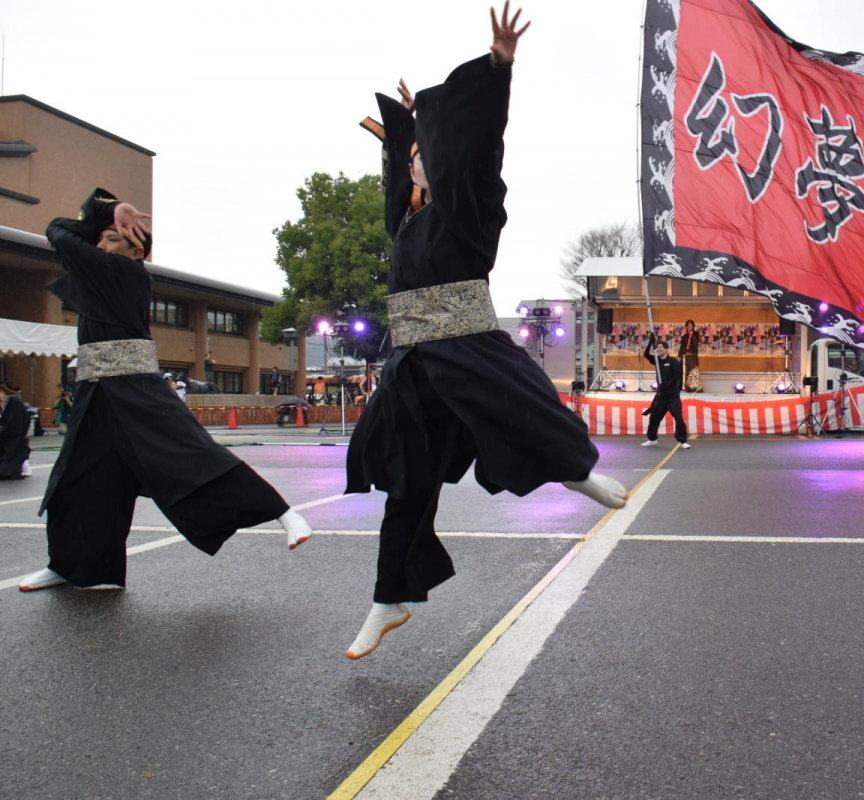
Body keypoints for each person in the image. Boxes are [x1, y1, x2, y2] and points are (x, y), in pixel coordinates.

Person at [344, 2, 627, 659]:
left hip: (466, 345)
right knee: (405, 483)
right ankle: (389, 599)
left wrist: (497, 70)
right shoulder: (407, 225)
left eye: (424, 155)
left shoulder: (467, 210)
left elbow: (473, 150)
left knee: (516, 408)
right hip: (413, 367)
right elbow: (400, 172)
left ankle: (574, 467)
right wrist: (407, 130)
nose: (416, 162)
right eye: (411, 157)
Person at [18, 189, 314, 593]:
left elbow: (58, 231)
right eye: (102, 237)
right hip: (96, 395)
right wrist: (111, 213)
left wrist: (103, 213)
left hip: (134, 389)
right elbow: (72, 236)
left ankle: (283, 512)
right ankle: (74, 567)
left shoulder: (120, 272)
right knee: (79, 482)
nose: (100, 243)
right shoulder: (106, 272)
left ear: (137, 250)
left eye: (112, 238)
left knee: (191, 453)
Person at [640, 335, 690, 449]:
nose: (659, 349)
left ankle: (683, 441)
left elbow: (677, 375)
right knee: (654, 418)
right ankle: (652, 439)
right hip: (661, 396)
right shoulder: (656, 361)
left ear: (666, 349)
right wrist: (650, 343)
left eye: (661, 347)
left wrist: (667, 384)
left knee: (678, 418)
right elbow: (646, 355)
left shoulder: (672, 361)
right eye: (657, 348)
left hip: (672, 396)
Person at [0, 382, 33, 480]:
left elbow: (13, 424)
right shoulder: (6, 404)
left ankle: (23, 467)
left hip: (15, 435)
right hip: (10, 435)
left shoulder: (14, 402)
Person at [678, 319, 702, 392]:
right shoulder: (685, 336)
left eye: (690, 324)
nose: (689, 326)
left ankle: (693, 387)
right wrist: (681, 356)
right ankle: (683, 387)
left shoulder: (696, 334)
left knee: (692, 372)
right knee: (683, 371)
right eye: (688, 325)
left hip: (692, 356)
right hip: (685, 356)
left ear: (693, 326)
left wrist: (692, 333)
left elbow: (695, 343)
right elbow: (682, 346)